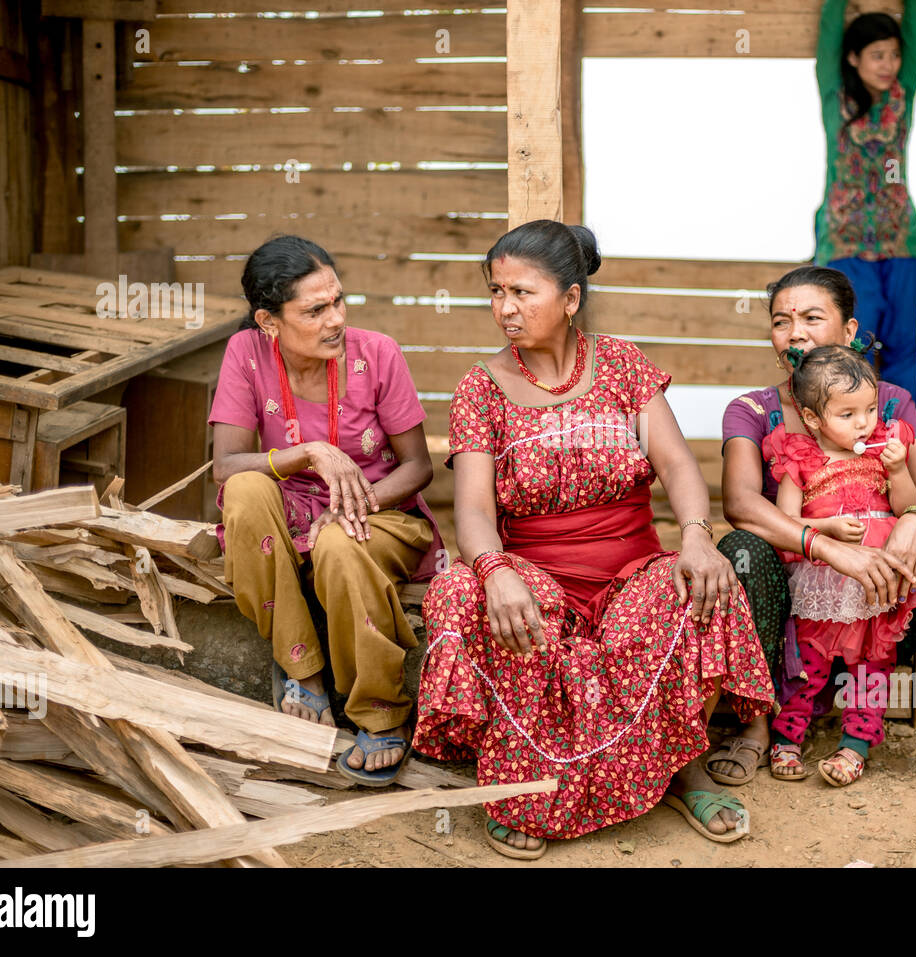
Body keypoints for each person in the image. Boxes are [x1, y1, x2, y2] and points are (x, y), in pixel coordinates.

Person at [413, 220, 774, 860]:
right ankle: (522, 783)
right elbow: (470, 508)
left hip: (628, 570)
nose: (505, 309)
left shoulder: (623, 365)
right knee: (457, 588)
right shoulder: (480, 388)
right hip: (534, 578)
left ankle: (677, 770)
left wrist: (696, 534)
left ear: (571, 299)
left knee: (695, 581)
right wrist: (495, 570)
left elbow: (679, 466)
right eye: (496, 292)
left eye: (523, 292)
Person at [706, 265, 916, 796]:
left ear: (849, 331)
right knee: (741, 550)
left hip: (884, 594)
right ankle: (755, 726)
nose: (795, 332)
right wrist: (825, 545)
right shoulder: (754, 410)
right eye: (782, 321)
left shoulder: (889, 404)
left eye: (811, 317)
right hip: (792, 594)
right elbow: (739, 504)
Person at [209, 235, 441, 786]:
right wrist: (311, 452)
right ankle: (303, 669)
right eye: (315, 310)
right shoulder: (246, 354)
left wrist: (351, 505)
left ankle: (380, 713)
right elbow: (225, 466)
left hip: (377, 513)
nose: (335, 318)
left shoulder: (377, 352)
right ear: (269, 322)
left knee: (340, 544)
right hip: (286, 514)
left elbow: (418, 468)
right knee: (243, 492)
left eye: (338, 300)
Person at [764, 344, 916, 785]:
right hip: (823, 578)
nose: (864, 422)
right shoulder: (799, 457)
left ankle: (855, 747)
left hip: (878, 578)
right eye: (848, 413)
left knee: (873, 664)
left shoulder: (884, 449)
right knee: (806, 665)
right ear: (814, 419)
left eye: (870, 408)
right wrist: (830, 529)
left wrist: (899, 473)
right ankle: (787, 737)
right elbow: (785, 523)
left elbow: (909, 509)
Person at [813, 0, 916, 397]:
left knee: (908, 345)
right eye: (877, 55)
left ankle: (902, 438)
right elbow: (829, 31)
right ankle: (850, 445)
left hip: (902, 242)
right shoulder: (834, 95)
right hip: (846, 242)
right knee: (853, 348)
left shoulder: (902, 95)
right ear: (854, 58)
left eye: (894, 55)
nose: (889, 64)